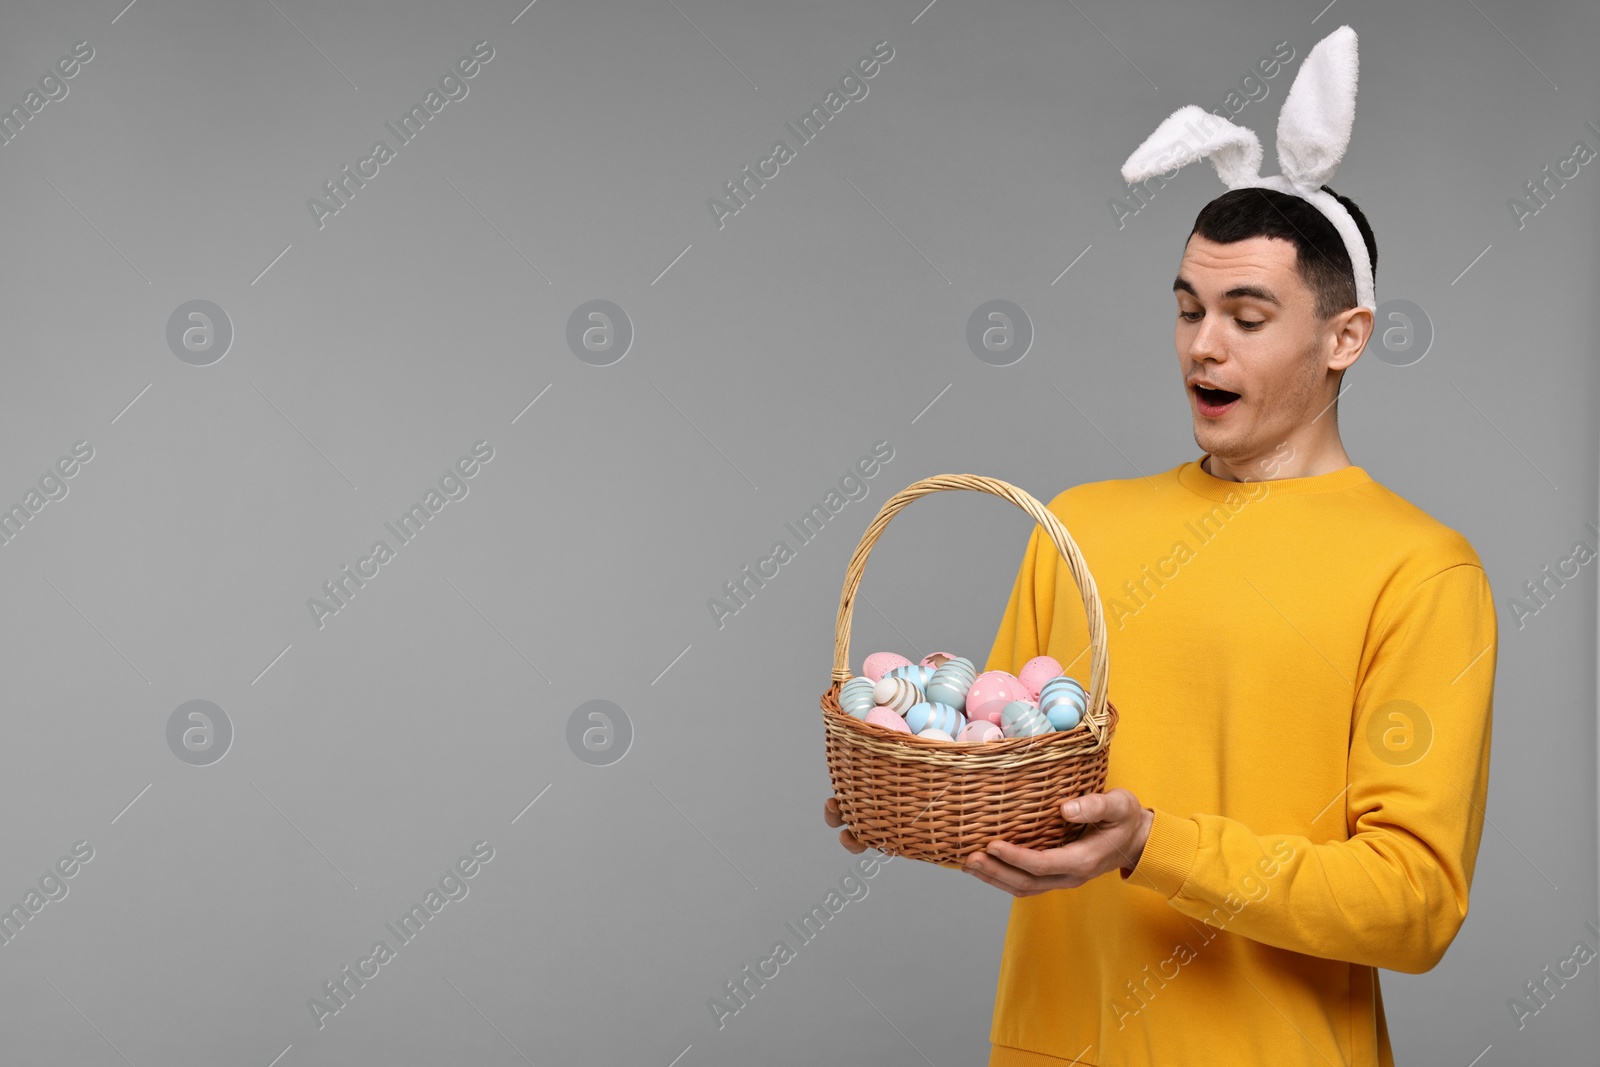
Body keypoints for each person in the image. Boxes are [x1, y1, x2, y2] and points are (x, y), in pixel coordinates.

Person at [824, 182, 1497, 1066]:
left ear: (1347, 337)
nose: (1202, 346)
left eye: (1246, 318)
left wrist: (1153, 843)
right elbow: (1004, 768)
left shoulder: (1421, 570)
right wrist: (911, 794)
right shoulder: (1080, 528)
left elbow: (1414, 907)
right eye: (1188, 310)